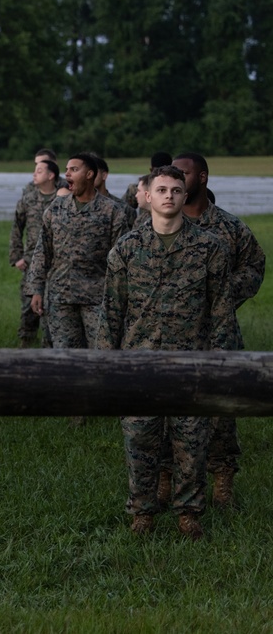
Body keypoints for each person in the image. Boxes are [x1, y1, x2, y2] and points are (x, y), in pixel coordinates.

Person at [99, 165, 237, 540]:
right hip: (139, 363)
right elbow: (111, 312)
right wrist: (103, 366)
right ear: (148, 196)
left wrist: (225, 365)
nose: (169, 197)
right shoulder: (126, 249)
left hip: (192, 363)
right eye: (161, 190)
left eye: (176, 190)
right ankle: (142, 513)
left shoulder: (211, 248)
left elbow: (222, 312)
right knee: (140, 442)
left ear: (184, 195)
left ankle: (189, 514)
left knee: (191, 444)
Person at [154, 153, 267, 508]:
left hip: (217, 336)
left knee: (220, 413)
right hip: (167, 337)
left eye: (183, 173)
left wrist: (220, 296)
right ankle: (163, 481)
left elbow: (254, 266)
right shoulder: (158, 224)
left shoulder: (229, 228)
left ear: (201, 178)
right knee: (165, 410)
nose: (175, 178)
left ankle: (222, 486)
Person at [26, 152, 129, 424]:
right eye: (67, 170)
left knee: (104, 354)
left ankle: (113, 407)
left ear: (91, 174)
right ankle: (76, 413)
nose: (67, 174)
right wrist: (36, 288)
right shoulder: (55, 209)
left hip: (98, 297)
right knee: (68, 355)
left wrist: (120, 297)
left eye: (74, 169)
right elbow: (42, 252)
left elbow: (122, 260)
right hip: (60, 296)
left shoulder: (114, 212)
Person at [9, 159, 60, 348]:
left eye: (39, 171)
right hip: (31, 262)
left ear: (51, 175)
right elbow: (16, 229)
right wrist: (16, 258)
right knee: (27, 306)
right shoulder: (28, 200)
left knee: (52, 307)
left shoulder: (61, 200)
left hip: (56, 264)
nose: (34, 174)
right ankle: (25, 345)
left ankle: (51, 348)